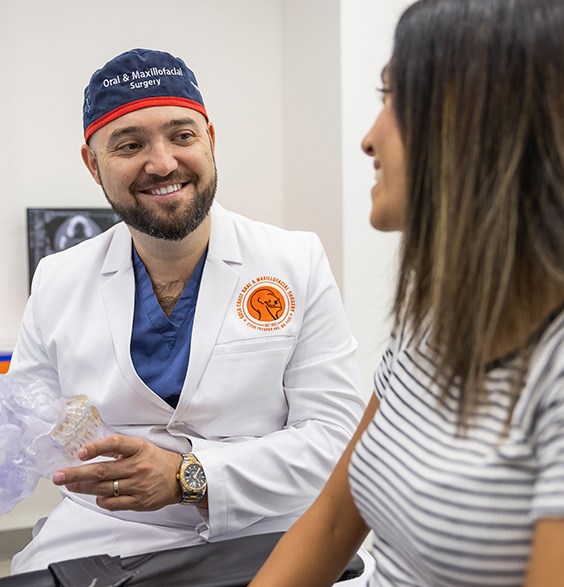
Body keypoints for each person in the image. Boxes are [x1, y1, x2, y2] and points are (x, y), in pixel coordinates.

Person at [8, 48, 366, 574]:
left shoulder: (294, 260)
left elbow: (334, 438)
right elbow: (28, 419)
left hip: (263, 531)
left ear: (210, 141)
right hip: (104, 535)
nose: (162, 163)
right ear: (92, 164)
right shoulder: (58, 278)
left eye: (182, 135)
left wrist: (187, 475)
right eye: (130, 145)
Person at [250, 0, 564, 585]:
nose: (368, 140)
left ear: (480, 120)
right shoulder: (431, 319)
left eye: (393, 98)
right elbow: (330, 523)